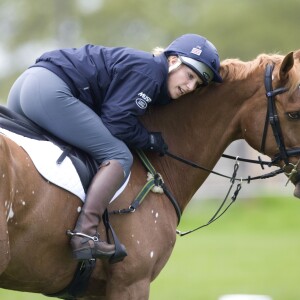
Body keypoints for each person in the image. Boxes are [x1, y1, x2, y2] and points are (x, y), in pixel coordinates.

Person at [7, 33, 222, 261]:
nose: (190, 86)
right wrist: (149, 140)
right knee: (118, 155)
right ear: (173, 61)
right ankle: (84, 233)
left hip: (26, 85)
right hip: (49, 90)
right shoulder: (151, 72)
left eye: (197, 83)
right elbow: (116, 124)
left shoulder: (147, 70)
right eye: (189, 75)